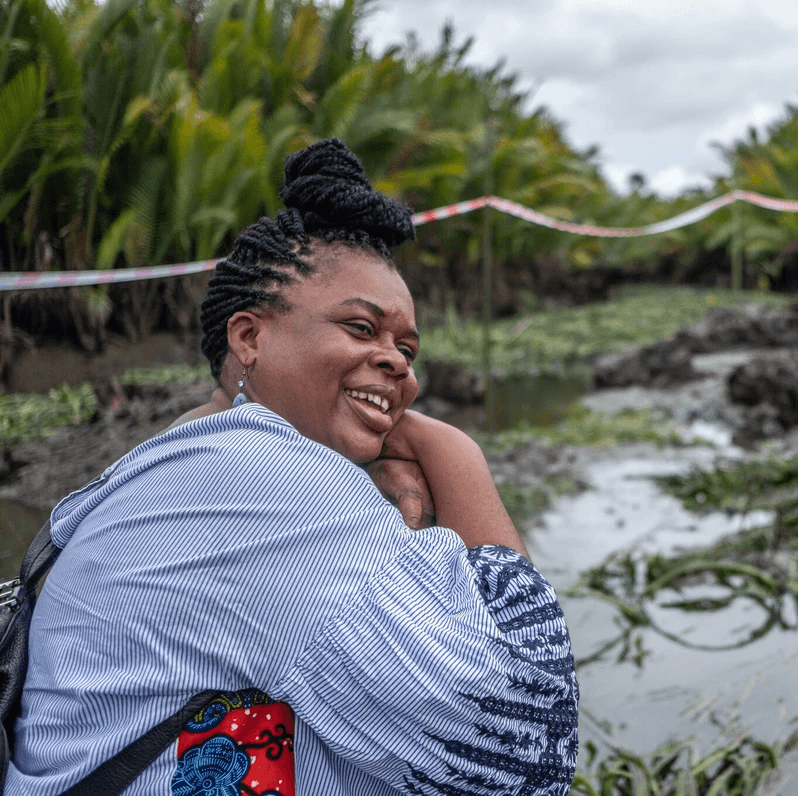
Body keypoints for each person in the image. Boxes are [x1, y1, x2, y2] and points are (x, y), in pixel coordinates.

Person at [6, 139, 578, 796]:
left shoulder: (183, 461)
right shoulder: (264, 484)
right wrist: (452, 454)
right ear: (249, 337)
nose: (397, 361)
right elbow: (528, 740)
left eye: (407, 347)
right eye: (362, 329)